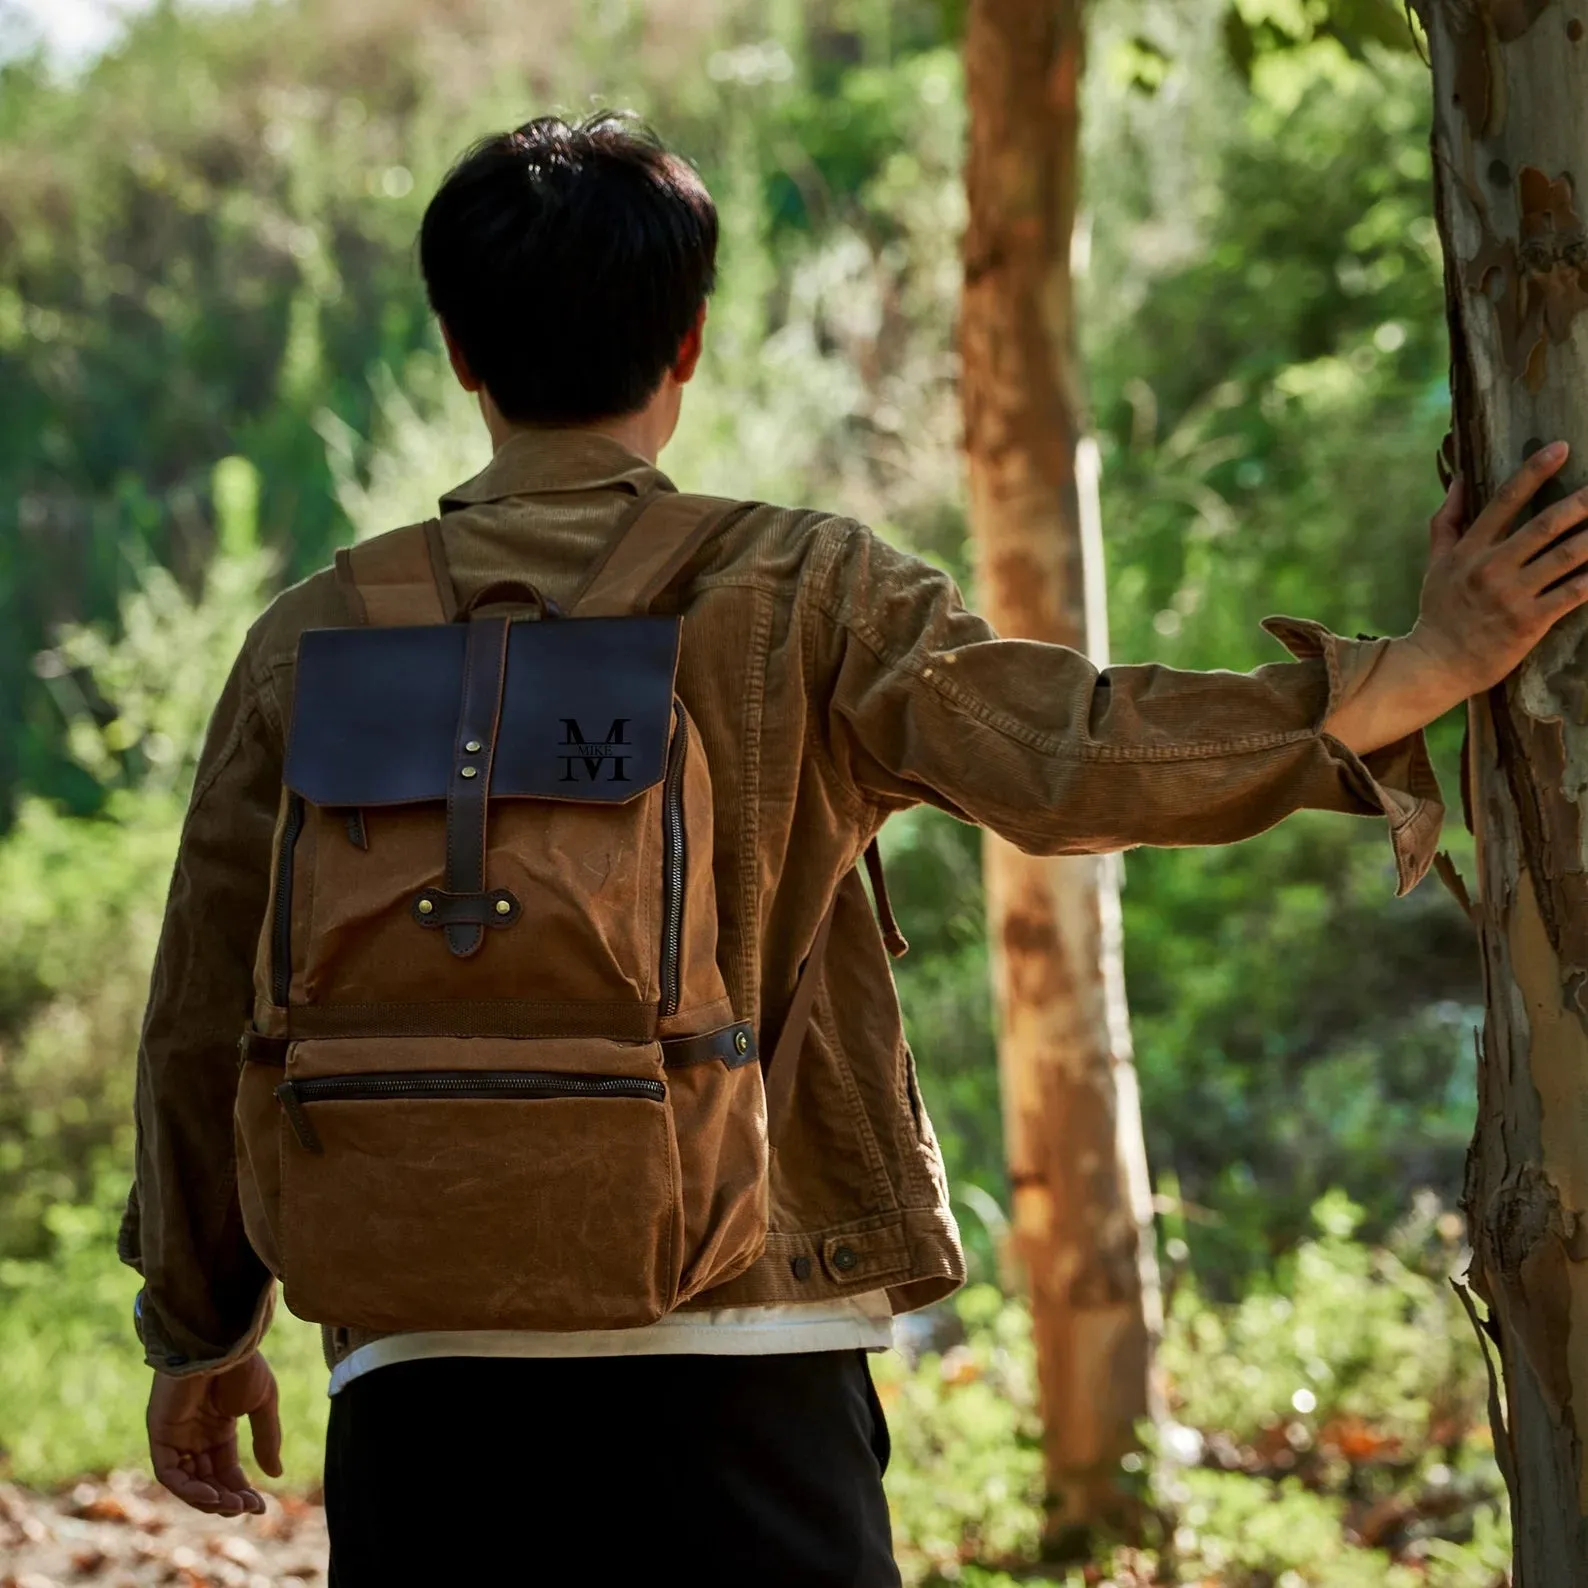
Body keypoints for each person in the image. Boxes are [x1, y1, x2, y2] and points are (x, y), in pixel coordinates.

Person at [123, 112, 1588, 1585]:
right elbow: (1070, 753)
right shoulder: (799, 588)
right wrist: (1408, 675)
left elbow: (203, 1009)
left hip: (421, 1352)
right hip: (748, 1336)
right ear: (686, 346)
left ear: (459, 352)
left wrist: (201, 1325)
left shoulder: (307, 641)